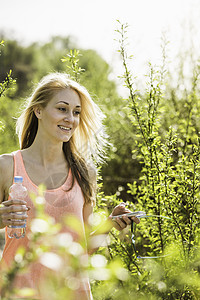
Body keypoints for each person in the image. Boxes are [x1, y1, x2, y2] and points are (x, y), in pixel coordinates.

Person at [0, 72, 139, 299]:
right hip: (17, 292)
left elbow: (80, 250)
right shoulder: (7, 166)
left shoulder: (85, 173)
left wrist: (110, 224)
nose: (71, 119)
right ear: (39, 110)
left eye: (76, 112)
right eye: (62, 109)